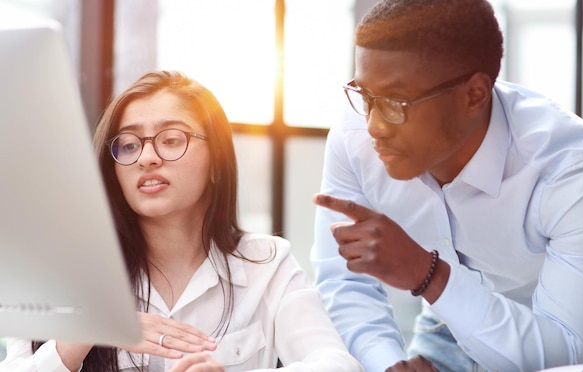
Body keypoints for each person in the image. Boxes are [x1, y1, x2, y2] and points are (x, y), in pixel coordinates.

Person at [310, 0, 583, 371]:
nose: (374, 126)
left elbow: (566, 357)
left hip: (582, 334)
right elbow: (344, 284)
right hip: (446, 320)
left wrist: (423, 272)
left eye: (396, 101)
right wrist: (389, 365)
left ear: (474, 95)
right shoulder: (354, 137)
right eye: (365, 95)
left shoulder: (570, 169)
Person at [0, 70, 363, 372]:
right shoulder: (63, 274)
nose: (147, 157)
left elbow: (337, 364)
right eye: (128, 145)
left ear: (217, 163)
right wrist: (77, 340)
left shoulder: (266, 263)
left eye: (171, 139)